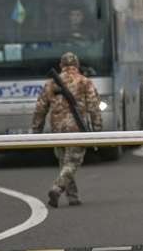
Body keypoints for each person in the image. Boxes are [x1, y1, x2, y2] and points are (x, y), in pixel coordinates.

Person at [31, 52, 102, 207]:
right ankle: (57, 188)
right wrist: (98, 129)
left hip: (57, 130)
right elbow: (94, 107)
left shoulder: (50, 83)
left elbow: (40, 108)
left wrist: (36, 130)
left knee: (64, 163)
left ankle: (73, 197)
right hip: (77, 128)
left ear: (61, 65)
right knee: (73, 162)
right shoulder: (85, 82)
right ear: (77, 65)